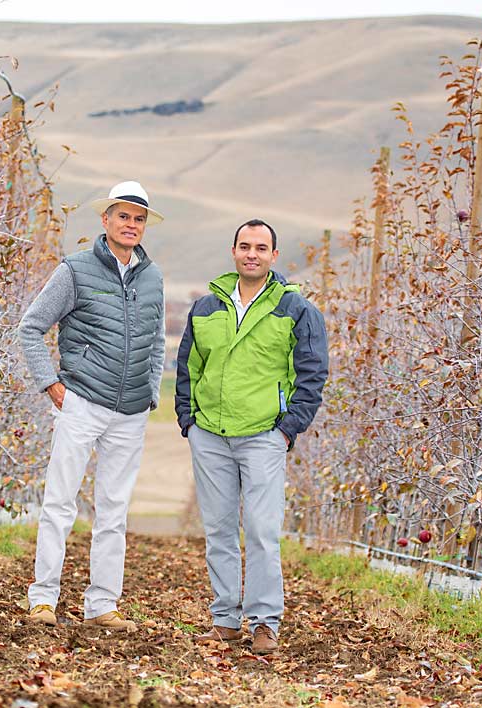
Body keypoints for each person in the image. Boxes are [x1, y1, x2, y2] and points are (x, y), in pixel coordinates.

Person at [18, 180, 166, 632]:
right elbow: (31, 328)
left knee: (114, 511)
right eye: (123, 216)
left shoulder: (153, 277)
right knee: (59, 503)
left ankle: (102, 604)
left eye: (138, 218)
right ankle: (43, 599)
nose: (131, 225)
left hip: (132, 411)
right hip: (81, 401)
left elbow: (157, 341)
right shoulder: (75, 271)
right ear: (105, 220)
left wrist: (152, 390)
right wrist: (51, 385)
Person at [174, 219, 327, 654]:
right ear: (234, 251)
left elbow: (312, 374)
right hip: (210, 435)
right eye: (245, 246)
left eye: (261, 247)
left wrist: (287, 429)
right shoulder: (205, 307)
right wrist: (189, 418)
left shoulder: (295, 308)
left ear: (274, 256)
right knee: (220, 529)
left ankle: (264, 621)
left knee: (261, 530)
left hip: (264, 436)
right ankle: (225, 619)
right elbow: (188, 367)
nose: (252, 254)